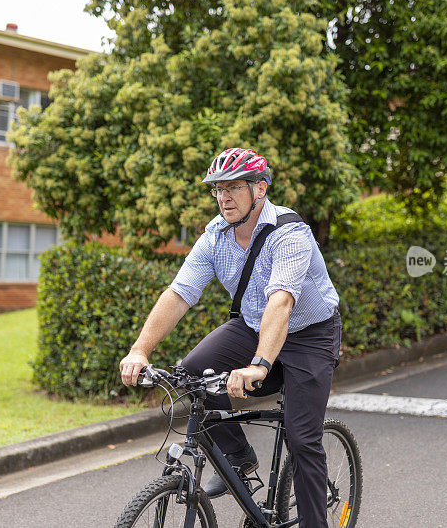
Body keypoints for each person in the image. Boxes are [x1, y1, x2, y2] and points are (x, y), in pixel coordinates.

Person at [119, 147, 341, 527]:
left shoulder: (289, 233)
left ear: (261, 189)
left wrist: (258, 364)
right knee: (191, 373)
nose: (224, 197)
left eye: (234, 187)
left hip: (309, 335)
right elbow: (179, 293)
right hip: (254, 326)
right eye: (218, 189)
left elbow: (282, 302)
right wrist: (140, 350)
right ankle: (240, 458)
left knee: (303, 439)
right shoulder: (214, 236)